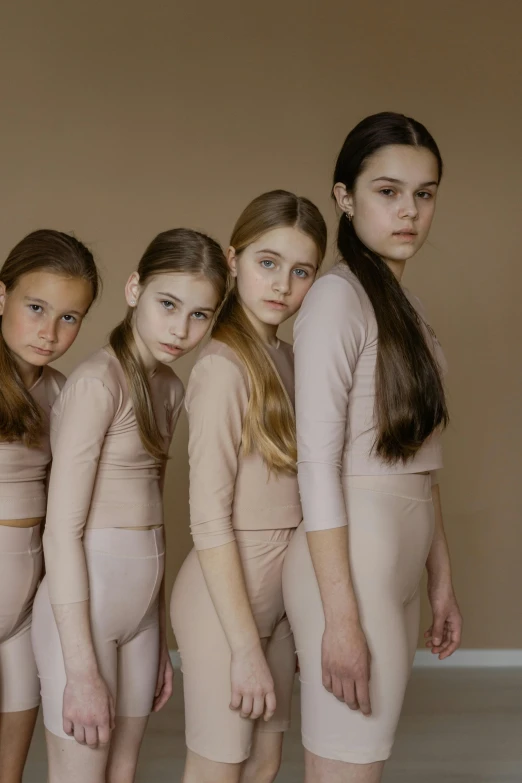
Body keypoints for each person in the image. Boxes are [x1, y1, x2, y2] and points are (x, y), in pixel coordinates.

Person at [282, 112, 463, 783]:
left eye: (425, 192)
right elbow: (316, 466)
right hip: (350, 567)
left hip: (396, 562)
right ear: (344, 196)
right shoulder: (336, 297)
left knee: (358, 765)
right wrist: (340, 618)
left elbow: (421, 459)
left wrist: (440, 578)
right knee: (346, 769)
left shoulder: (405, 304)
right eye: (388, 191)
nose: (410, 210)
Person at [31, 228, 228, 783]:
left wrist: (157, 628)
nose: (180, 328)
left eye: (200, 315)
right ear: (135, 288)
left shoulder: (169, 388)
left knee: (123, 773)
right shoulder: (99, 383)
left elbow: (155, 522)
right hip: (82, 616)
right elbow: (60, 533)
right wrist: (81, 667)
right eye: (168, 304)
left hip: (138, 618)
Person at [171, 190, 327, 783]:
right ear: (232, 260)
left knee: (264, 764)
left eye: (301, 270)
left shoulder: (289, 358)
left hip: (282, 595)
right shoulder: (220, 367)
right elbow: (208, 517)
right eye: (268, 262)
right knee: (220, 765)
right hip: (224, 605)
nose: (282, 284)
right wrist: (241, 647)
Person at [0, 229, 100, 783]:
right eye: (35, 307)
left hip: (27, 599)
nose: (49, 330)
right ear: (1, 297)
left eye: (69, 317)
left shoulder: (64, 391)